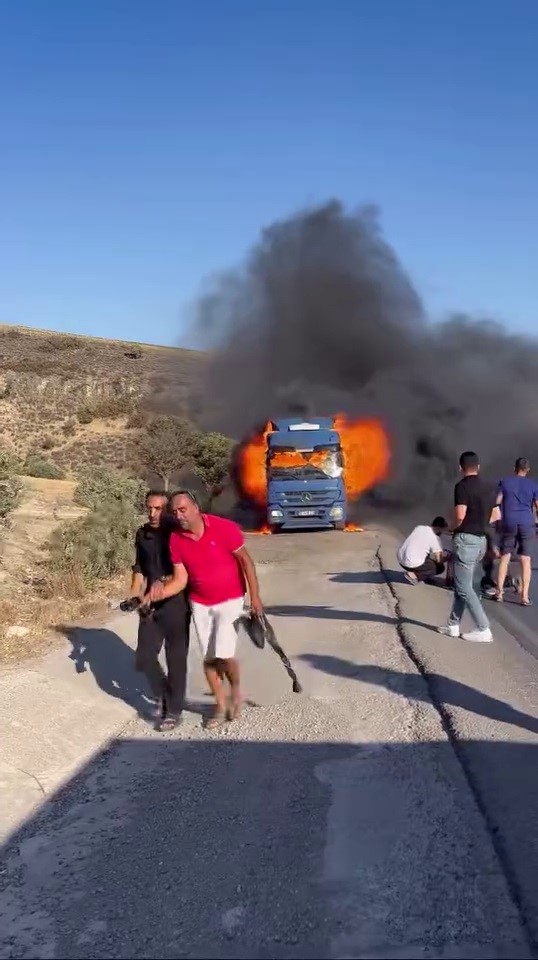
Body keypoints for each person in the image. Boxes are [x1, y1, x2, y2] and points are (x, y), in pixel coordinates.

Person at [147, 490, 263, 728]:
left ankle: (236, 691)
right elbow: (180, 580)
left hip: (231, 599)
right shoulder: (176, 539)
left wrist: (256, 598)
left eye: (183, 509)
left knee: (223, 654)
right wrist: (153, 596)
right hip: (200, 603)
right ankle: (220, 705)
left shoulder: (225, 528)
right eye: (175, 512)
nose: (179, 515)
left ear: (196, 508)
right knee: (210, 658)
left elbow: (246, 562)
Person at [130, 490, 190, 730]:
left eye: (158, 509)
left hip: (177, 603)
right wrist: (135, 593)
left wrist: (164, 582)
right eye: (149, 508)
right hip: (150, 604)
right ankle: (165, 694)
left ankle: (174, 711)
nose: (152, 513)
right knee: (144, 657)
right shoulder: (142, 534)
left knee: (176, 659)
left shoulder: (177, 534)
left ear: (167, 511)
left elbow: (185, 569)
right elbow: (139, 567)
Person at [439, 451, 498, 643]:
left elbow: (460, 515)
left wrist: (452, 528)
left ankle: (483, 628)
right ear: (478, 467)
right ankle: (453, 626)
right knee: (462, 585)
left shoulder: (462, 487)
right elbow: (496, 516)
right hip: (481, 540)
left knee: (464, 586)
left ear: (460, 468)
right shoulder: (489, 486)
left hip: (466, 540)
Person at [494, 457, 538, 606]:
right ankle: (524, 597)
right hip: (527, 523)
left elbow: (497, 501)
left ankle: (499, 592)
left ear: (515, 468)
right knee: (525, 559)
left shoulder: (505, 482)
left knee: (505, 557)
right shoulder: (533, 485)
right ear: (528, 469)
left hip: (509, 522)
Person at [397, 517, 449, 584]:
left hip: (401, 558)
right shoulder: (435, 539)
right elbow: (439, 560)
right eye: (443, 530)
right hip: (410, 563)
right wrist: (447, 558)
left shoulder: (419, 528)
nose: (442, 533)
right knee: (439, 568)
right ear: (440, 528)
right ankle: (413, 575)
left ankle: (425, 576)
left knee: (428, 558)